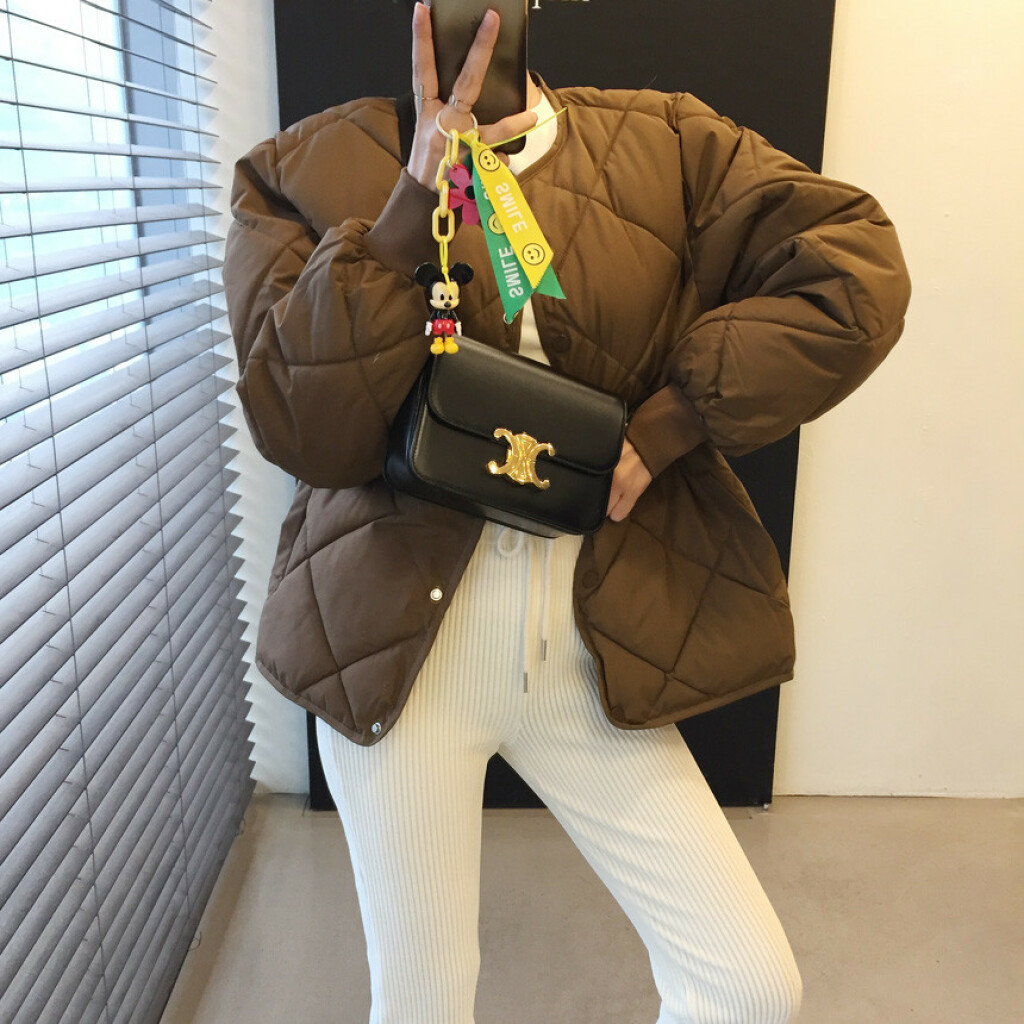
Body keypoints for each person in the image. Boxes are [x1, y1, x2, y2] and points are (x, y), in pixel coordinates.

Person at [224, 4, 911, 1022]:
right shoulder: (298, 170)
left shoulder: (667, 144)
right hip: (397, 658)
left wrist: (676, 419)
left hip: (590, 648)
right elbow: (300, 424)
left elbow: (857, 266)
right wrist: (414, 197)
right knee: (423, 1002)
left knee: (745, 984)